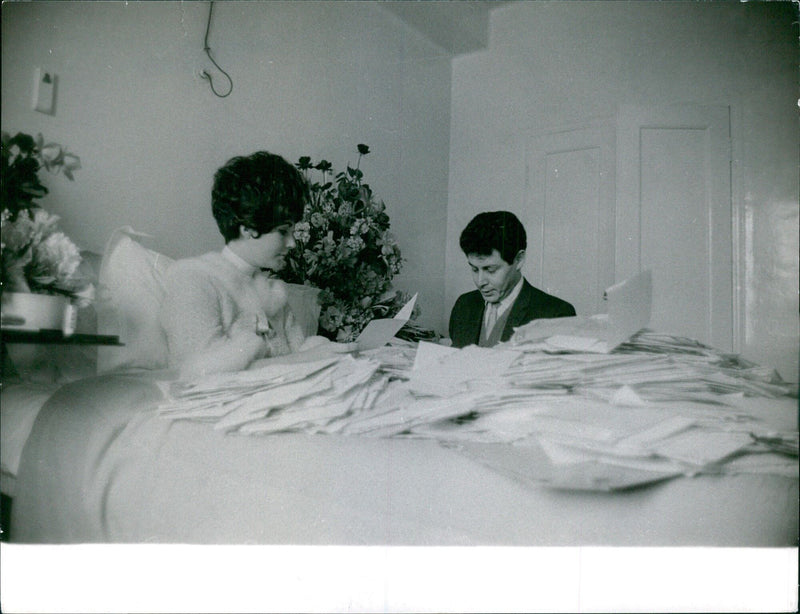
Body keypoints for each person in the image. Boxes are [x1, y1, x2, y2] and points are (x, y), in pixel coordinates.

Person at [160, 150, 351, 379]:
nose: (292, 243)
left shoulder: (272, 291)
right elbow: (198, 375)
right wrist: (307, 359)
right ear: (248, 228)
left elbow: (297, 356)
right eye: (283, 231)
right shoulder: (193, 279)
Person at [448, 210, 575, 348]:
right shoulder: (464, 305)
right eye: (474, 269)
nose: (480, 282)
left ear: (519, 260)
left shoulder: (556, 314)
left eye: (490, 270)